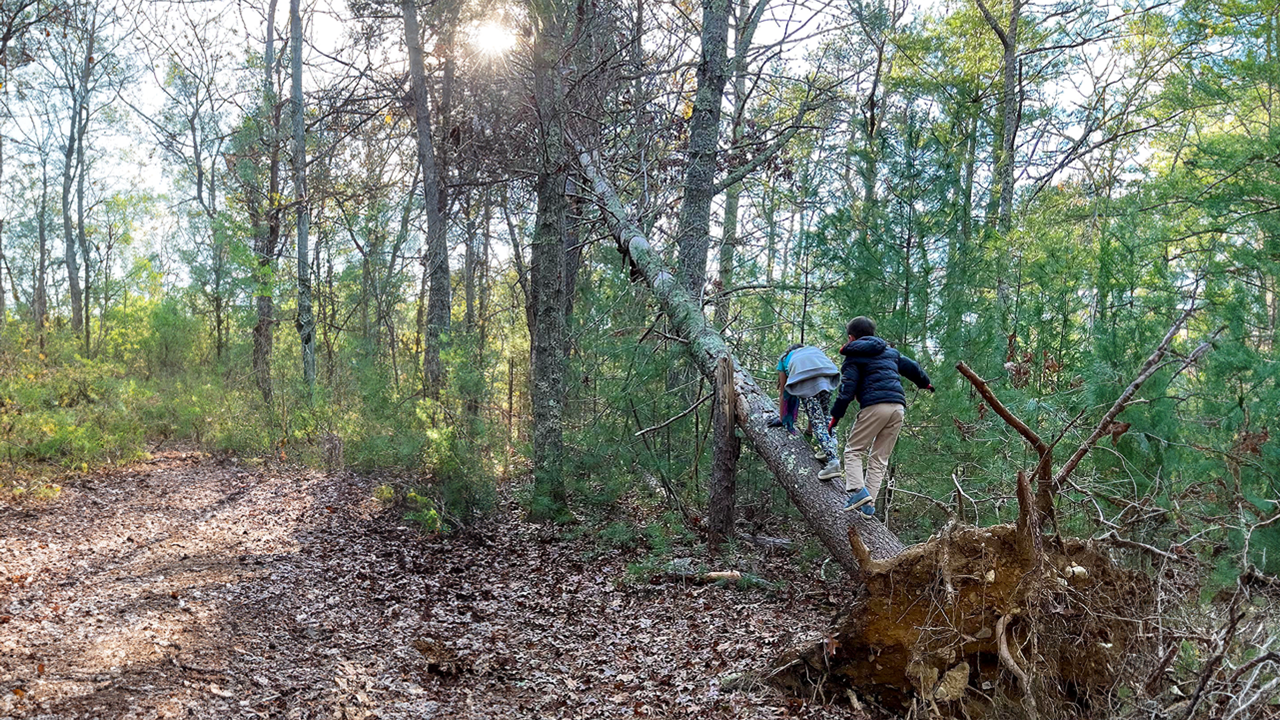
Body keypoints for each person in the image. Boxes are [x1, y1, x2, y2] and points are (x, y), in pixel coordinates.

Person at [828, 317, 933, 516]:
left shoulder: (853, 356)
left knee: (853, 451)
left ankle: (858, 491)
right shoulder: (890, 352)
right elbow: (913, 368)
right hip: (898, 408)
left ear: (851, 338)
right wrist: (925, 383)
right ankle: (868, 506)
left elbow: (847, 391)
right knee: (879, 458)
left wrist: (836, 416)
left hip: (875, 406)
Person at [769, 343, 843, 479]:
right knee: (827, 418)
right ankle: (830, 450)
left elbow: (783, 393)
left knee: (818, 422)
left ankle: (833, 462)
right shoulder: (812, 350)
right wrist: (809, 431)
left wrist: (782, 418)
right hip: (826, 377)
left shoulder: (784, 358)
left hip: (805, 381)